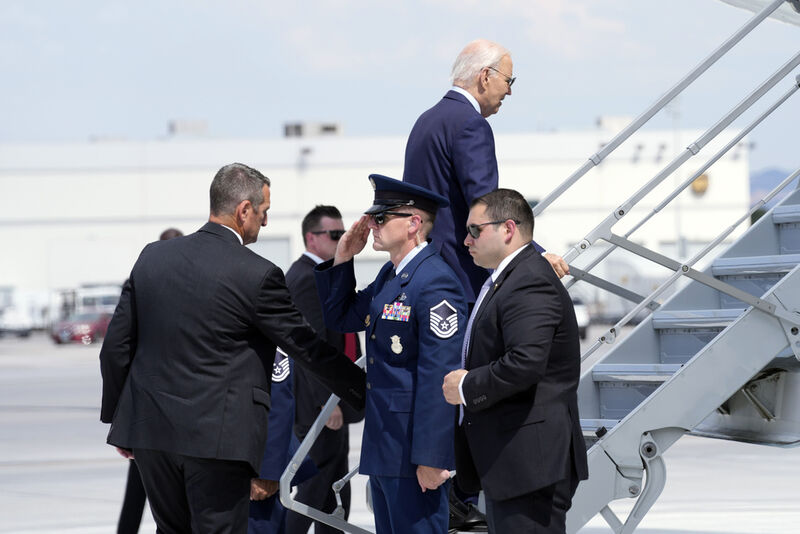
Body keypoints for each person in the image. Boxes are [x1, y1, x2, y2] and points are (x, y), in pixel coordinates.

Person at [99, 162, 366, 534]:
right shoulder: (256, 274)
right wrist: (366, 391)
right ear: (243, 210)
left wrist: (119, 418)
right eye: (264, 212)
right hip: (218, 441)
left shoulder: (151, 258)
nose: (266, 223)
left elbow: (114, 348)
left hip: (151, 433)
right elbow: (306, 346)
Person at [314, 175, 467, 534]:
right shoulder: (390, 275)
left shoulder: (434, 280)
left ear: (414, 223)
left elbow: (438, 376)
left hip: (414, 454)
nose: (371, 225)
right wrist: (343, 258)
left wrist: (431, 458)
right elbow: (341, 316)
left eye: (381, 218)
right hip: (384, 448)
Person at [442, 189, 588, 533]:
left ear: (508, 229)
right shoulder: (509, 278)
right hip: (514, 464)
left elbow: (525, 362)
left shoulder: (530, 280)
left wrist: (465, 386)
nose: (466, 240)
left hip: (530, 467)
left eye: (475, 230)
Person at [403, 38, 568, 304]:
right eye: (508, 81)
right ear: (484, 77)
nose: (509, 92)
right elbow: (486, 205)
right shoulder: (471, 124)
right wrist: (533, 255)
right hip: (460, 279)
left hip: (421, 272)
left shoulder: (425, 121)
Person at [284, 205, 364, 534]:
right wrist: (325, 399)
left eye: (342, 233)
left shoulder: (328, 272)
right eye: (334, 235)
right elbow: (308, 347)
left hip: (337, 399)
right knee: (315, 491)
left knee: (336, 488)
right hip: (322, 405)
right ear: (311, 238)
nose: (340, 239)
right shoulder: (304, 278)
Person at [116, 227, 183, 534]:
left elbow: (118, 350)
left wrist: (119, 418)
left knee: (138, 492)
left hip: (145, 410)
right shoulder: (194, 287)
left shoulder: (141, 284)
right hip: (185, 413)